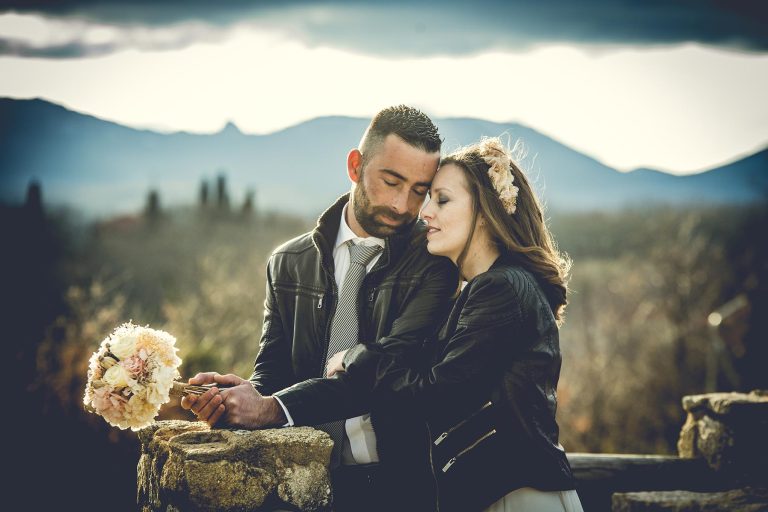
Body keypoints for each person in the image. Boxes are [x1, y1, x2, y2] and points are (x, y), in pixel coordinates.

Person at [180, 105, 458, 511]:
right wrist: (239, 399)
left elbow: (384, 368)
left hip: (398, 485)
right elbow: (273, 371)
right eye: (391, 182)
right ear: (355, 166)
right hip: (299, 481)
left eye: (420, 190)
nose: (402, 205)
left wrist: (270, 409)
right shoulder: (288, 262)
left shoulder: (435, 264)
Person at [326, 137, 584, 511]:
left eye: (442, 200)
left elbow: (437, 396)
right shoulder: (490, 287)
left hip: (518, 498)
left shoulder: (501, 288)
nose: (425, 212)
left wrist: (357, 360)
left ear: (484, 212)